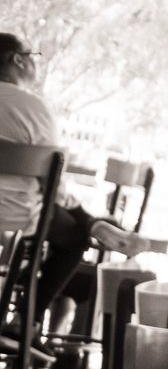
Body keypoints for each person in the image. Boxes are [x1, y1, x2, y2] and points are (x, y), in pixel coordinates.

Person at [0, 33, 152, 340]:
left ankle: (92, 224)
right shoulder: (32, 109)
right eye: (33, 55)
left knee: (60, 218)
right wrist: (81, 212)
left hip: (20, 213)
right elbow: (52, 184)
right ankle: (26, 321)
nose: (35, 61)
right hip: (14, 214)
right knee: (74, 238)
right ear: (17, 60)